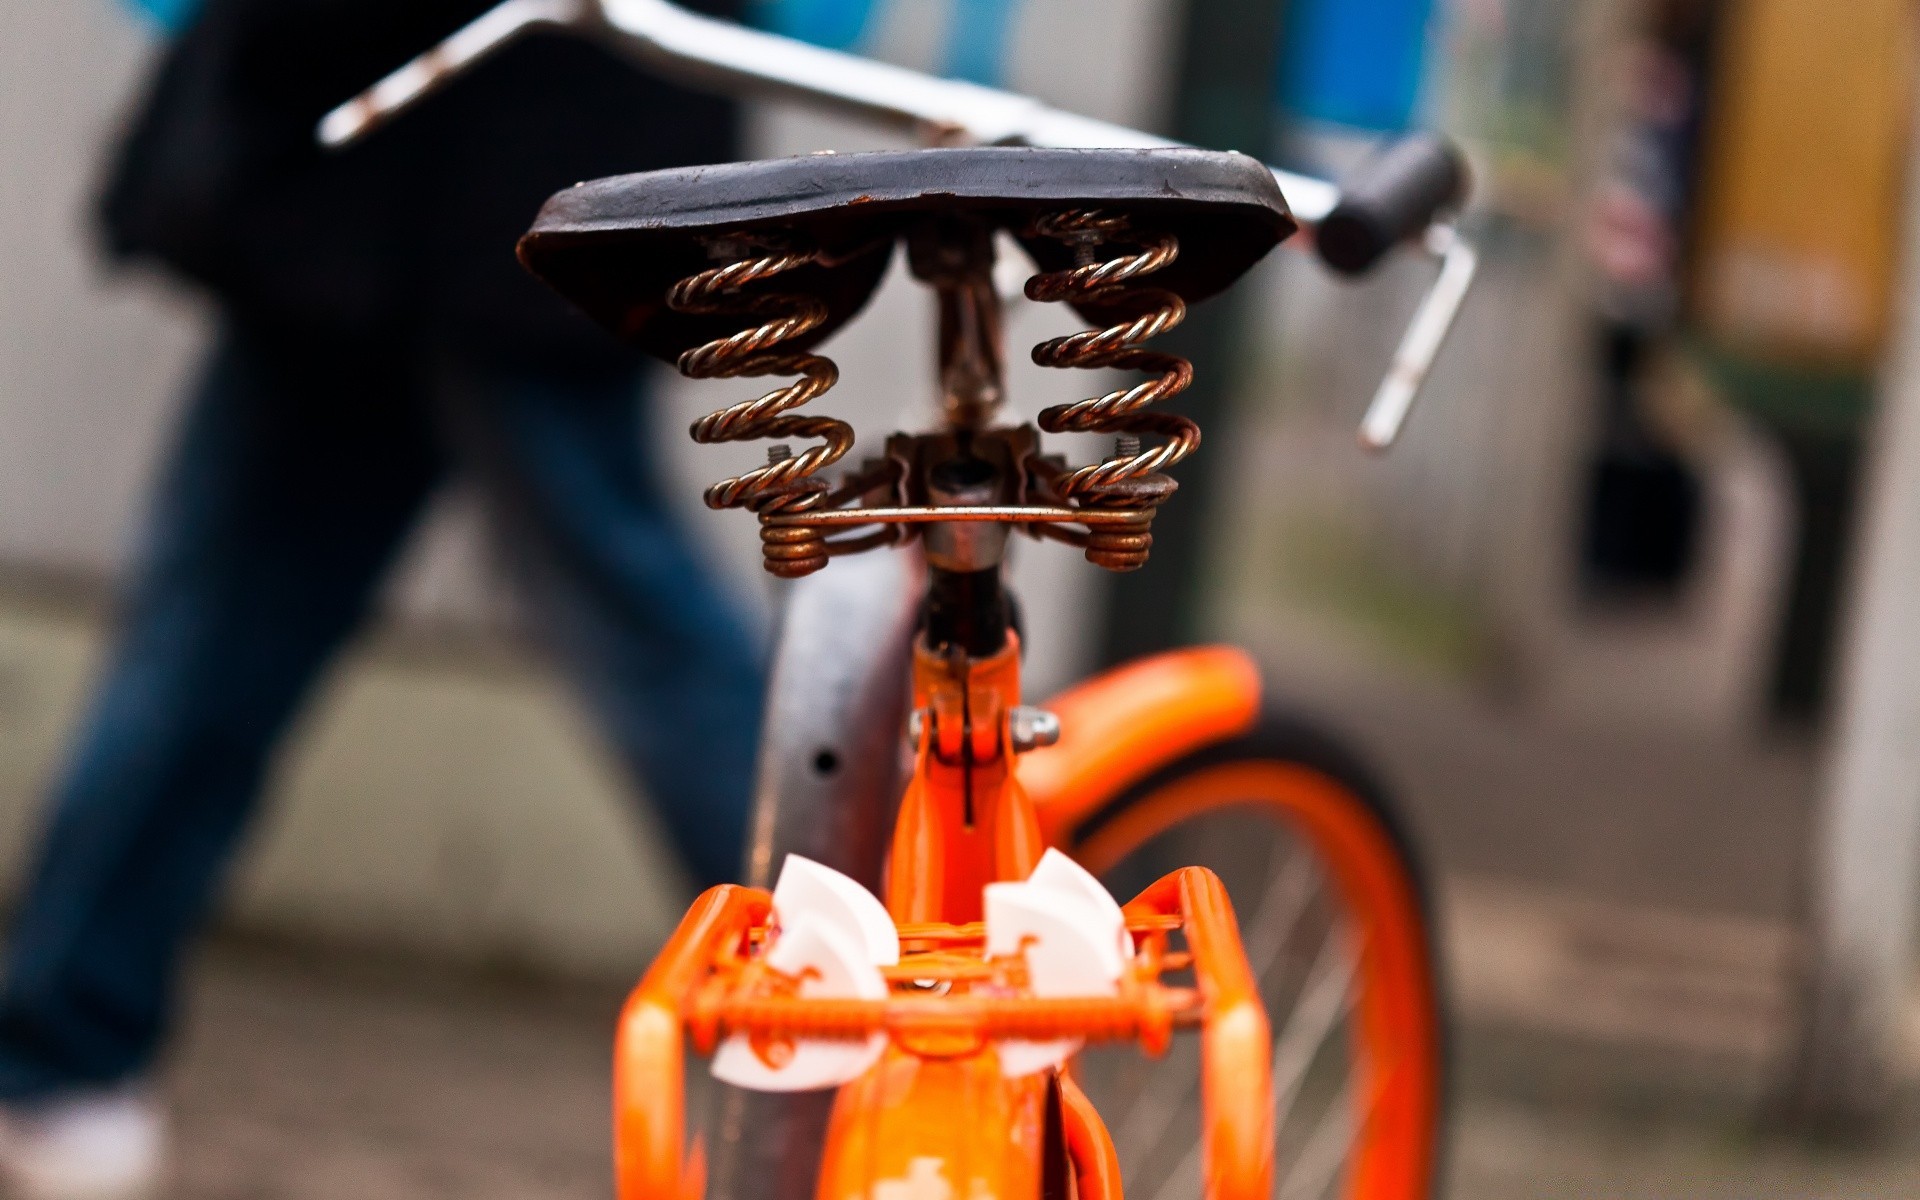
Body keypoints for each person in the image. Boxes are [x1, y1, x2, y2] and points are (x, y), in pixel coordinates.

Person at [0, 1, 761, 1195]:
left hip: (496, 139)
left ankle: (865, 1009)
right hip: (400, 150)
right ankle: (59, 1057)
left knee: (634, 622)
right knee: (230, 621)